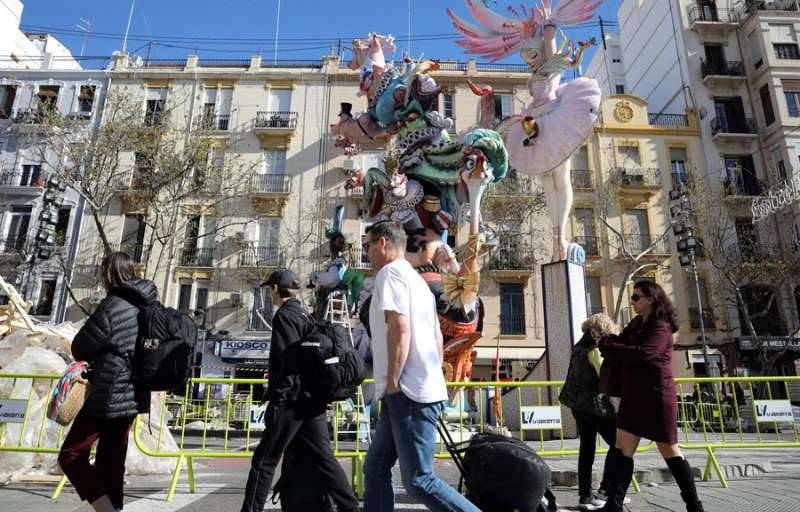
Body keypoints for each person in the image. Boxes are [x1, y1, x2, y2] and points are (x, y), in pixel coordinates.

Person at [363, 221, 479, 512]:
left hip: (407, 392)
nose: (366, 253)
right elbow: (438, 337)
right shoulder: (418, 281)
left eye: (367, 245)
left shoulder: (389, 274)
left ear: (382, 243)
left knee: (419, 480)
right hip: (416, 388)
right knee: (375, 468)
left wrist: (392, 382)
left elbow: (399, 329)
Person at [241, 269, 359, 512]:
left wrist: (277, 402)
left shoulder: (284, 317)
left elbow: (288, 365)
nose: (269, 294)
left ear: (275, 289)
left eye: (269, 289)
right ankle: (350, 508)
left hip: (292, 402)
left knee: (264, 461)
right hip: (310, 400)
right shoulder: (305, 315)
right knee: (324, 460)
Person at [58, 252, 157, 512]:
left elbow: (80, 346)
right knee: (112, 459)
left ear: (108, 274)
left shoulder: (113, 306)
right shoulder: (148, 306)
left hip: (107, 391)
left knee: (71, 455)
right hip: (134, 394)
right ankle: (113, 507)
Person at [597, 281, 704, 512]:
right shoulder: (636, 323)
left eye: (637, 297)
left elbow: (643, 354)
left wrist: (608, 346)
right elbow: (621, 343)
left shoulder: (661, 327)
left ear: (651, 299)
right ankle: (613, 505)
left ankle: (694, 506)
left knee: (669, 450)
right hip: (632, 396)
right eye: (632, 297)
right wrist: (608, 342)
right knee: (621, 448)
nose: (632, 301)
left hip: (656, 396)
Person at [559, 313, 622, 510]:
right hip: (594, 407)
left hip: (578, 405)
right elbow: (605, 379)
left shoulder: (579, 346)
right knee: (618, 444)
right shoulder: (594, 350)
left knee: (587, 449)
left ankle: (585, 496)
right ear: (600, 331)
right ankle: (605, 490)